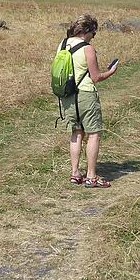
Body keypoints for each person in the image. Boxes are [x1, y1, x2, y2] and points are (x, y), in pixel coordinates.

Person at [58, 14, 118, 188]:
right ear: (87, 31)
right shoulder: (88, 49)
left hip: (68, 96)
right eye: (94, 33)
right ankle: (91, 176)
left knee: (76, 133)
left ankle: (75, 173)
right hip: (86, 95)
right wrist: (111, 71)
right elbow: (96, 77)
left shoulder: (62, 44)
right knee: (94, 134)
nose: (94, 37)